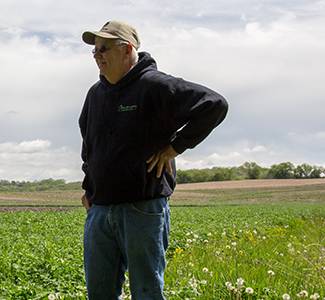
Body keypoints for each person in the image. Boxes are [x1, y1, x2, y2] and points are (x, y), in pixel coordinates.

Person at [79, 21, 228, 300]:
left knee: (146, 292)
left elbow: (214, 105)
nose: (97, 55)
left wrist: (175, 147)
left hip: (142, 209)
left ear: (127, 50)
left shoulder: (156, 86)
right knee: (99, 294)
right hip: (99, 211)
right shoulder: (95, 94)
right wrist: (89, 188)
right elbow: (88, 145)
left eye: (103, 48)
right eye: (94, 50)